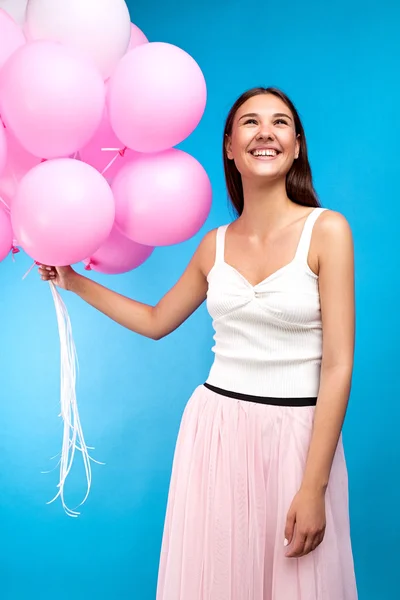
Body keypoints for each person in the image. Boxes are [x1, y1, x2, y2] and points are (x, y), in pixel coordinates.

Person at [39, 87, 358, 599]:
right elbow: (156, 319)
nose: (265, 133)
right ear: (230, 146)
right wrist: (72, 280)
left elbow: (339, 365)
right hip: (216, 433)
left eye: (280, 123)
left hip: (298, 438)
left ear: (297, 145)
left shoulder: (327, 232)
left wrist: (314, 484)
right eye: (249, 123)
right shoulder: (215, 245)